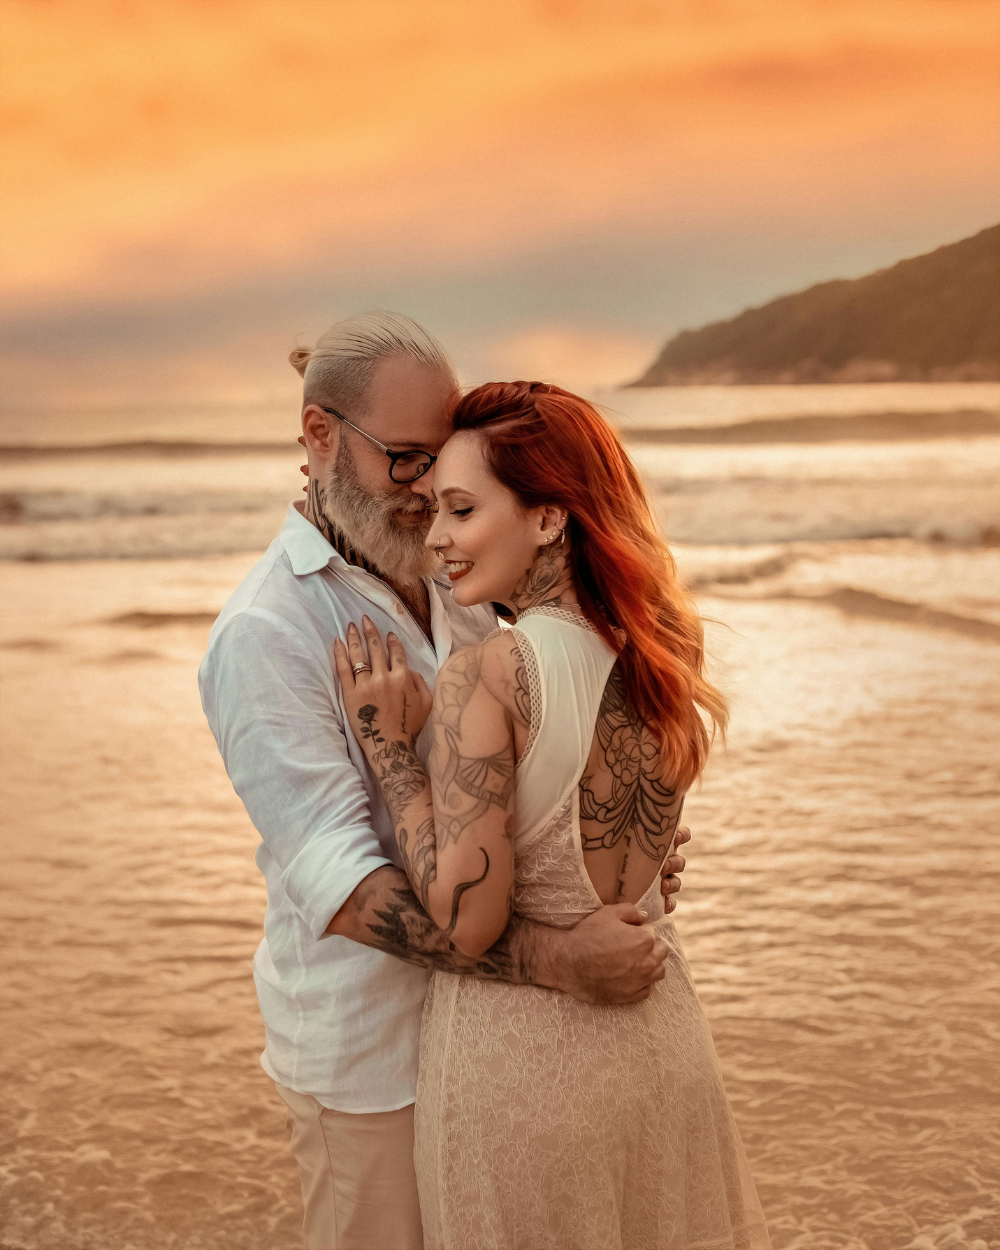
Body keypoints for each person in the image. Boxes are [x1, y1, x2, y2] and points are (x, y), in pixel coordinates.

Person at [198, 313, 690, 1250]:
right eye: (407, 459)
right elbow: (344, 890)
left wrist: (613, 863)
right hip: (374, 1064)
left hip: (504, 1050)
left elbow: (547, 754)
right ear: (319, 436)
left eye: (444, 469)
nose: (429, 495)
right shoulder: (266, 633)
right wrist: (561, 956)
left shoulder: (462, 571)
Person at [335, 380, 771, 1250]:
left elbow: (466, 919)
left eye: (461, 509)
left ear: (549, 517)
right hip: (660, 1044)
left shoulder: (491, 673)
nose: (438, 539)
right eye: (434, 512)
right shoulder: (661, 651)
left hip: (527, 1074)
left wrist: (388, 749)